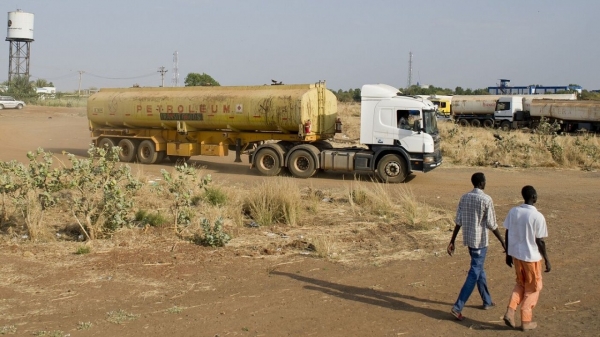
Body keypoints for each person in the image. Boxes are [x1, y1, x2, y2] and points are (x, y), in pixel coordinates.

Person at [447, 172, 506, 321]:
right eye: (485, 181)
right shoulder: (486, 199)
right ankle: (457, 307)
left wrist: (452, 240)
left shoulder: (464, 197)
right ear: (481, 183)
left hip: (469, 241)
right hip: (480, 242)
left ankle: (487, 300)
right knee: (474, 272)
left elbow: (458, 221)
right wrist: (502, 241)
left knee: (479, 269)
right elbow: (492, 224)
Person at [502, 185, 551, 331]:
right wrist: (547, 259)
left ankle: (510, 310)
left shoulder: (514, 211)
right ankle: (526, 320)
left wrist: (508, 253)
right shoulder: (537, 216)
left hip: (517, 255)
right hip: (531, 258)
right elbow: (540, 240)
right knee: (534, 288)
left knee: (521, 284)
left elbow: (507, 232)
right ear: (534, 197)